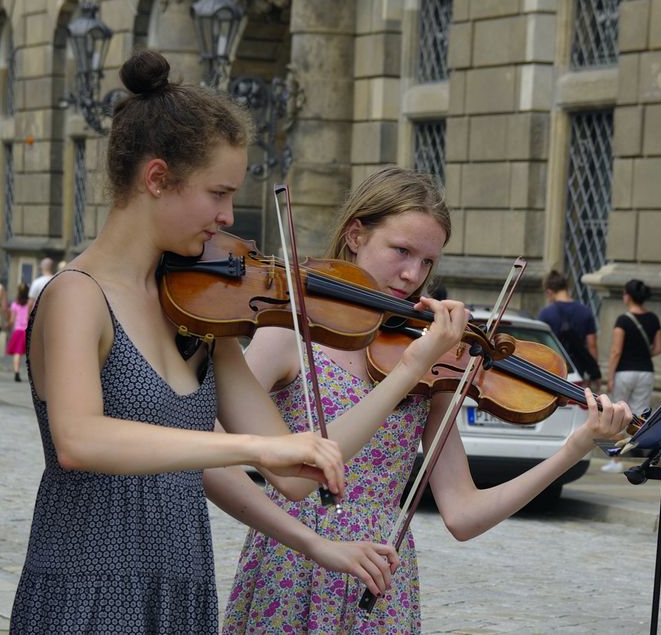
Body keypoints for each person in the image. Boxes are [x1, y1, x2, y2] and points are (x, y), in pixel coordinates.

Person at [9, 51, 469, 633]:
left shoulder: (199, 314)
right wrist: (252, 448)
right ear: (157, 179)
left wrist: (314, 541)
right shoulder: (78, 294)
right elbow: (80, 439)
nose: (227, 216)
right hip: (89, 586)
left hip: (183, 588)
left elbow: (298, 471)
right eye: (218, 193)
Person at [215, 167, 634, 633]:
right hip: (292, 566)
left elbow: (463, 515)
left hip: (379, 577)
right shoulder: (290, 332)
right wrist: (281, 519)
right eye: (401, 251)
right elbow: (213, 447)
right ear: (356, 234)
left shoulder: (431, 360)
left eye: (428, 262)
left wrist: (575, 448)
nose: (412, 275)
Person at [603, 279, 661, 473]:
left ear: (627, 296)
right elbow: (658, 348)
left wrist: (610, 377)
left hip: (624, 372)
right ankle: (650, 458)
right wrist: (642, 355)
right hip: (646, 372)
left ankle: (615, 461)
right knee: (640, 417)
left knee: (618, 414)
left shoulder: (623, 320)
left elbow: (616, 351)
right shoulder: (653, 318)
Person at [537, 269, 601, 384]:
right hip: (577, 371)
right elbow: (592, 345)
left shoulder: (545, 313)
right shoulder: (585, 311)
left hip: (553, 370)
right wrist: (594, 372)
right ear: (566, 288)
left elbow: (539, 346)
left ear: (549, 292)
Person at [6, 283, 29, 382]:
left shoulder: (14, 304)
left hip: (18, 330)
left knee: (17, 353)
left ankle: (16, 372)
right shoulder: (30, 303)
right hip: (27, 331)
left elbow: (12, 319)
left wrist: (8, 326)